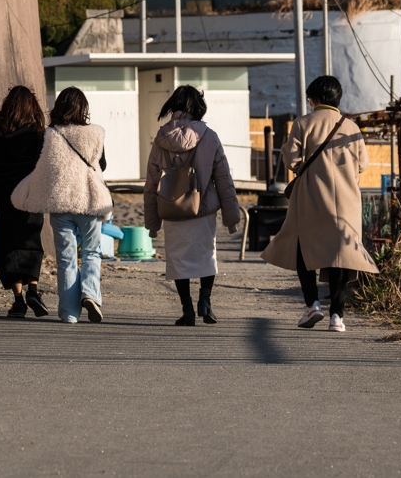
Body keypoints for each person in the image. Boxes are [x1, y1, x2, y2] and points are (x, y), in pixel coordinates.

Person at [262, 76, 378, 332]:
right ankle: (337, 317)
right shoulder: (351, 127)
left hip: (310, 199)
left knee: (303, 251)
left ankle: (313, 305)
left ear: (313, 99)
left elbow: (292, 160)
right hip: (346, 202)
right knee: (340, 256)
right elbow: (363, 165)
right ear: (338, 99)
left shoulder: (303, 123)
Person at [12, 87, 113, 324]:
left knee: (66, 259)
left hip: (60, 204)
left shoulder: (49, 134)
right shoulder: (96, 133)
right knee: (91, 252)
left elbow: (41, 168)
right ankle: (90, 295)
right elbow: (103, 164)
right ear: (83, 109)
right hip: (89, 202)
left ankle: (69, 313)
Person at [143, 85, 241, 326]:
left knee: (178, 260)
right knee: (206, 257)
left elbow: (151, 182)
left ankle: (187, 310)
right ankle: (205, 303)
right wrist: (231, 218)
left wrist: (152, 223)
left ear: (174, 106)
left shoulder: (160, 139)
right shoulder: (209, 136)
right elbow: (224, 180)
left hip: (172, 208)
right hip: (203, 209)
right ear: (198, 107)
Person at [0, 86, 49, 319]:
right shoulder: (38, 132)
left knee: (7, 245)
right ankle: (33, 290)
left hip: (4, 194)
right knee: (30, 241)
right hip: (30, 193)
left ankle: (18, 302)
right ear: (32, 106)